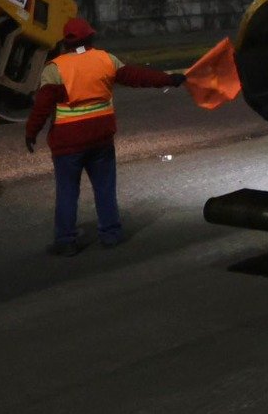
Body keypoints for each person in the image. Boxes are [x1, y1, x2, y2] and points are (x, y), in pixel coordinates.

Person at [26, 17, 186, 256]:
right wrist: (169, 79)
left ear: (65, 42)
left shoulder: (55, 68)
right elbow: (137, 76)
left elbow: (42, 106)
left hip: (67, 143)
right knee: (104, 188)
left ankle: (66, 241)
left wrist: (31, 132)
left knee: (68, 191)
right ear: (91, 38)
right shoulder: (106, 60)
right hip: (100, 138)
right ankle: (111, 234)